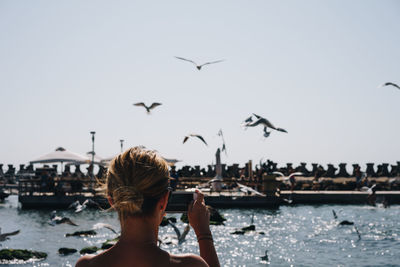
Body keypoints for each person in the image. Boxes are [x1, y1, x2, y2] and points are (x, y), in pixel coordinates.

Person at [76, 147, 220, 267]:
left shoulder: (87, 265)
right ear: (164, 200)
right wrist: (203, 233)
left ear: (112, 201)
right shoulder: (190, 265)